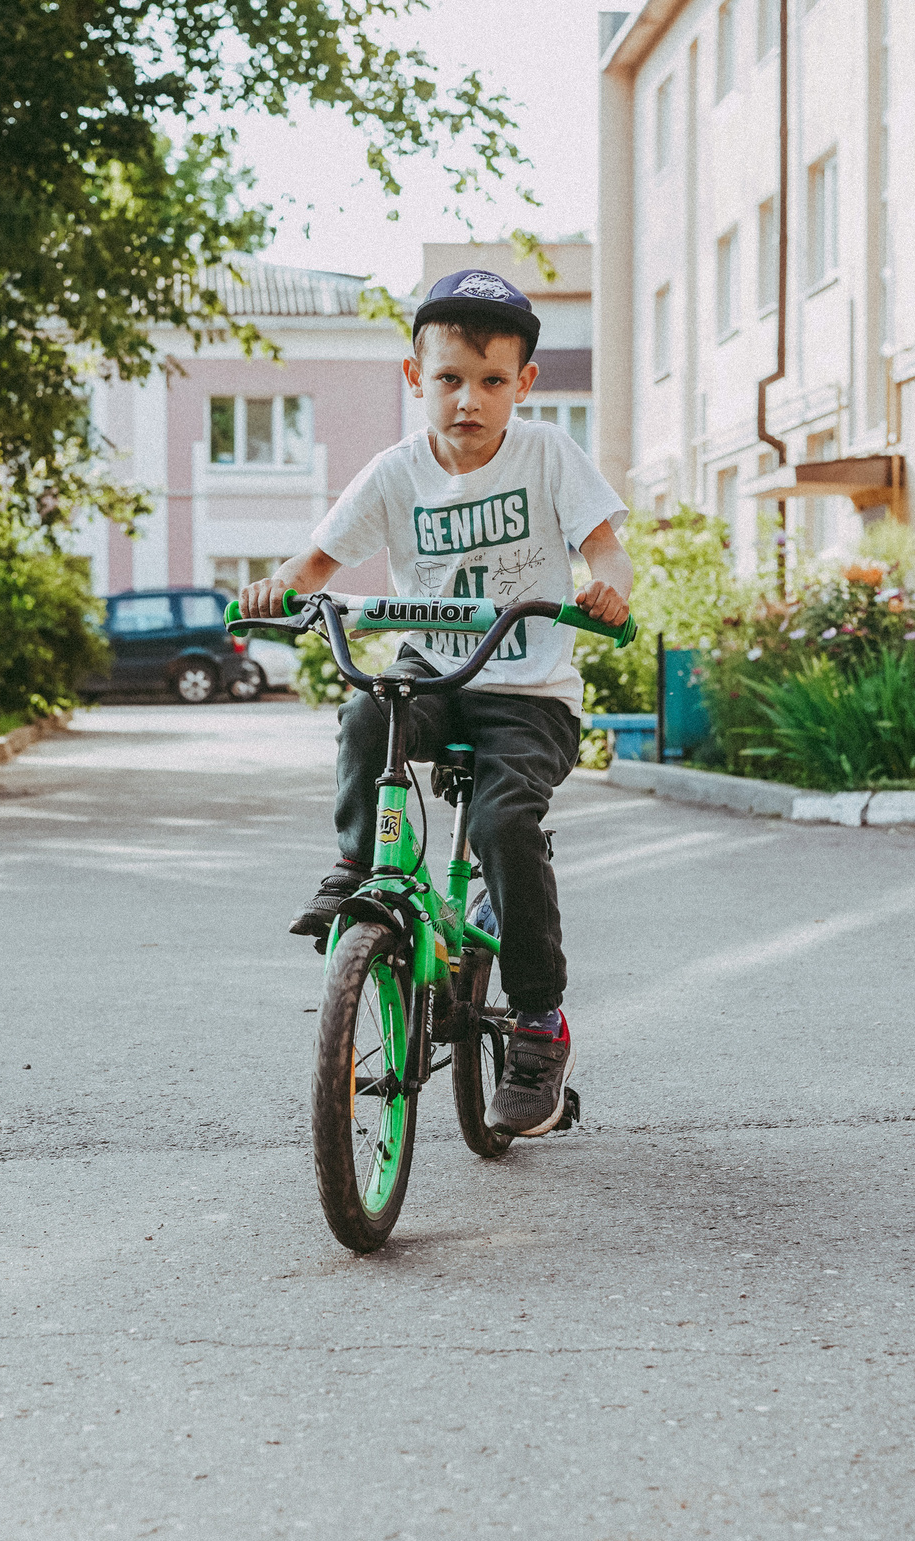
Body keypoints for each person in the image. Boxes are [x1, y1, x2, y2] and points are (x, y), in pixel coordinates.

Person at [237, 268, 635, 1138]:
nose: (469, 400)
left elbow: (607, 548)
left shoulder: (547, 455)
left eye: (492, 381)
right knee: (366, 713)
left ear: (523, 385)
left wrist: (608, 588)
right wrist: (278, 588)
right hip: (438, 676)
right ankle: (358, 867)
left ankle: (538, 1020)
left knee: (502, 825)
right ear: (416, 379)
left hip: (529, 693)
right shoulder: (395, 472)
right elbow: (315, 567)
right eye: (450, 379)